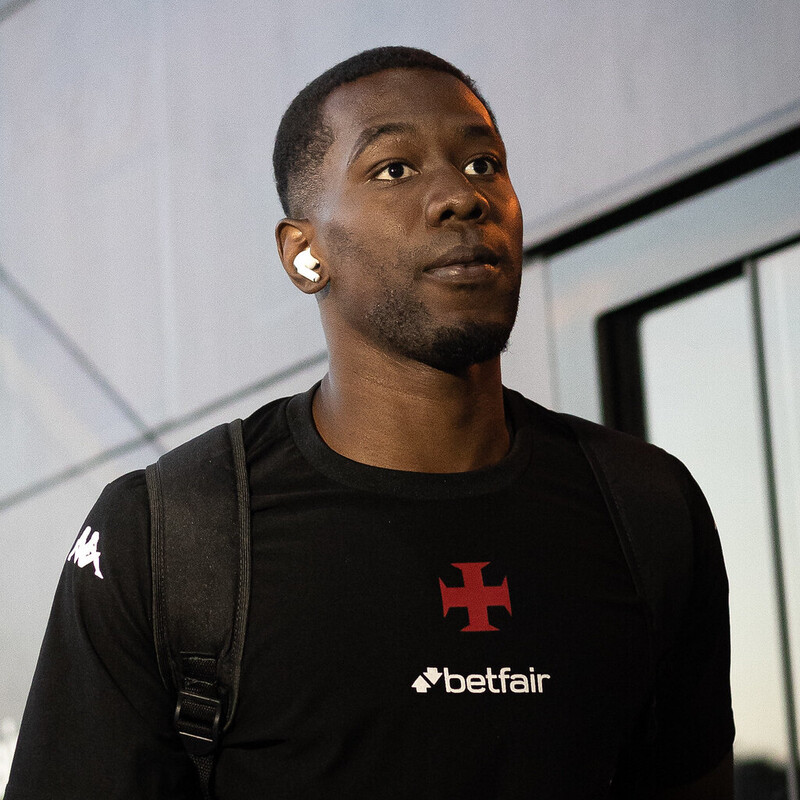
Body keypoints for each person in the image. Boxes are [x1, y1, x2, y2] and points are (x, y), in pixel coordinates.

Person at [6, 46, 734, 799]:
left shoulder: (645, 508)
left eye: (484, 163)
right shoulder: (172, 535)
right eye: (395, 169)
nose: (461, 196)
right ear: (304, 254)